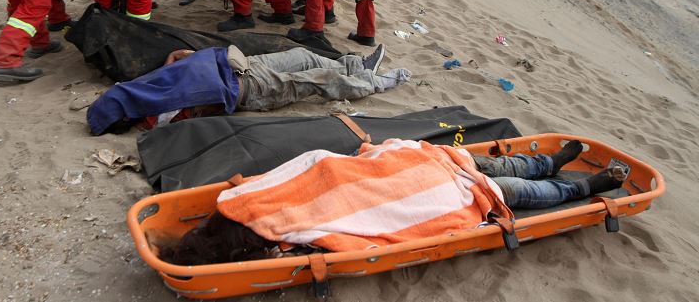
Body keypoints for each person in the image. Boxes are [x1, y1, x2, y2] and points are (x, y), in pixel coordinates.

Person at [162, 140, 627, 265]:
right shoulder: (238, 208)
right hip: (417, 181)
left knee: (498, 182)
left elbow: (310, 170)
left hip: (405, 175)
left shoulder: (241, 209)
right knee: (495, 178)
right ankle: (579, 182)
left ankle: (558, 169)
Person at [87, 42, 405, 135]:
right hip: (247, 86)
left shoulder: (145, 89)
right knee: (315, 82)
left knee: (305, 57)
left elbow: (175, 70)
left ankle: (358, 66)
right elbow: (203, 107)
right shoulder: (157, 117)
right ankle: (374, 83)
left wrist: (181, 59)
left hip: (240, 62)